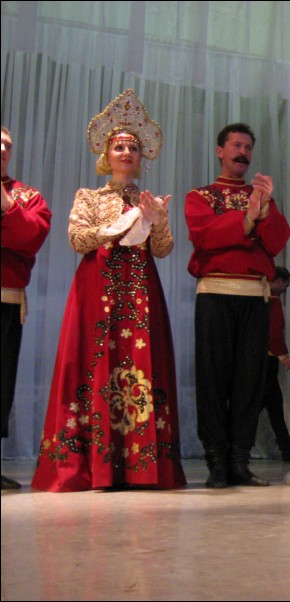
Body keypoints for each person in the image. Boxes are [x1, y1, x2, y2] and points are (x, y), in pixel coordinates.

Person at [31, 89, 185, 492]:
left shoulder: (148, 199)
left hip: (138, 292)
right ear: (106, 153)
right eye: (118, 146)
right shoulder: (89, 197)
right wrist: (114, 229)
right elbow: (77, 239)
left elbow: (164, 250)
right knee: (93, 363)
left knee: (139, 365)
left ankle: (140, 466)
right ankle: (91, 466)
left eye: (133, 147)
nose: (126, 152)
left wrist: (158, 221)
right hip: (96, 290)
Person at [185, 122, 290, 488]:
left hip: (254, 298)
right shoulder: (200, 196)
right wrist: (247, 219)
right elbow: (206, 237)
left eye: (247, 146)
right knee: (213, 379)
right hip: (215, 294)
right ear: (220, 151)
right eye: (235, 145)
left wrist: (262, 214)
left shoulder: (262, 200)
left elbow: (276, 242)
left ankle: (239, 461)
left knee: (250, 382)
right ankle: (216, 461)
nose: (242, 152)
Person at [1, 126, 52, 490]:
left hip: (6, 299)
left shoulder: (26, 195)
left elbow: (30, 237)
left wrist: (5, 205)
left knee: (1, 383)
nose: (3, 149)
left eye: (7, 145)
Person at [263, 266, 290, 463]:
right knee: (270, 404)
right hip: (269, 360)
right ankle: (286, 449)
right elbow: (274, 333)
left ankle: (286, 449)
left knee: (273, 405)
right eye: (285, 284)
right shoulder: (273, 303)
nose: (285, 289)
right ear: (278, 280)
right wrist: (283, 356)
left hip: (261, 360)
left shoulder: (261, 301)